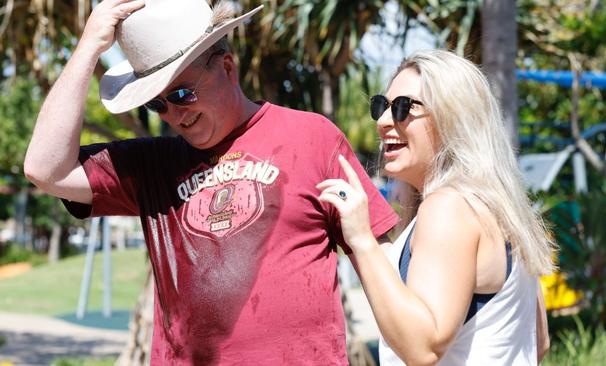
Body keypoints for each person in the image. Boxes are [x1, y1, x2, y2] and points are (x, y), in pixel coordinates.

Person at [23, 0, 398, 364]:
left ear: (228, 68)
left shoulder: (313, 137)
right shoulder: (152, 164)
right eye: (157, 104)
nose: (173, 114)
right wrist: (88, 47)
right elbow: (45, 167)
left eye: (183, 94)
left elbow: (381, 263)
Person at [317, 49, 554, 365]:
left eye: (403, 108)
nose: (384, 121)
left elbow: (423, 347)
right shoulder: (499, 209)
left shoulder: (448, 207)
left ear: (453, 118)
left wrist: (361, 240)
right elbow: (539, 342)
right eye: (381, 106)